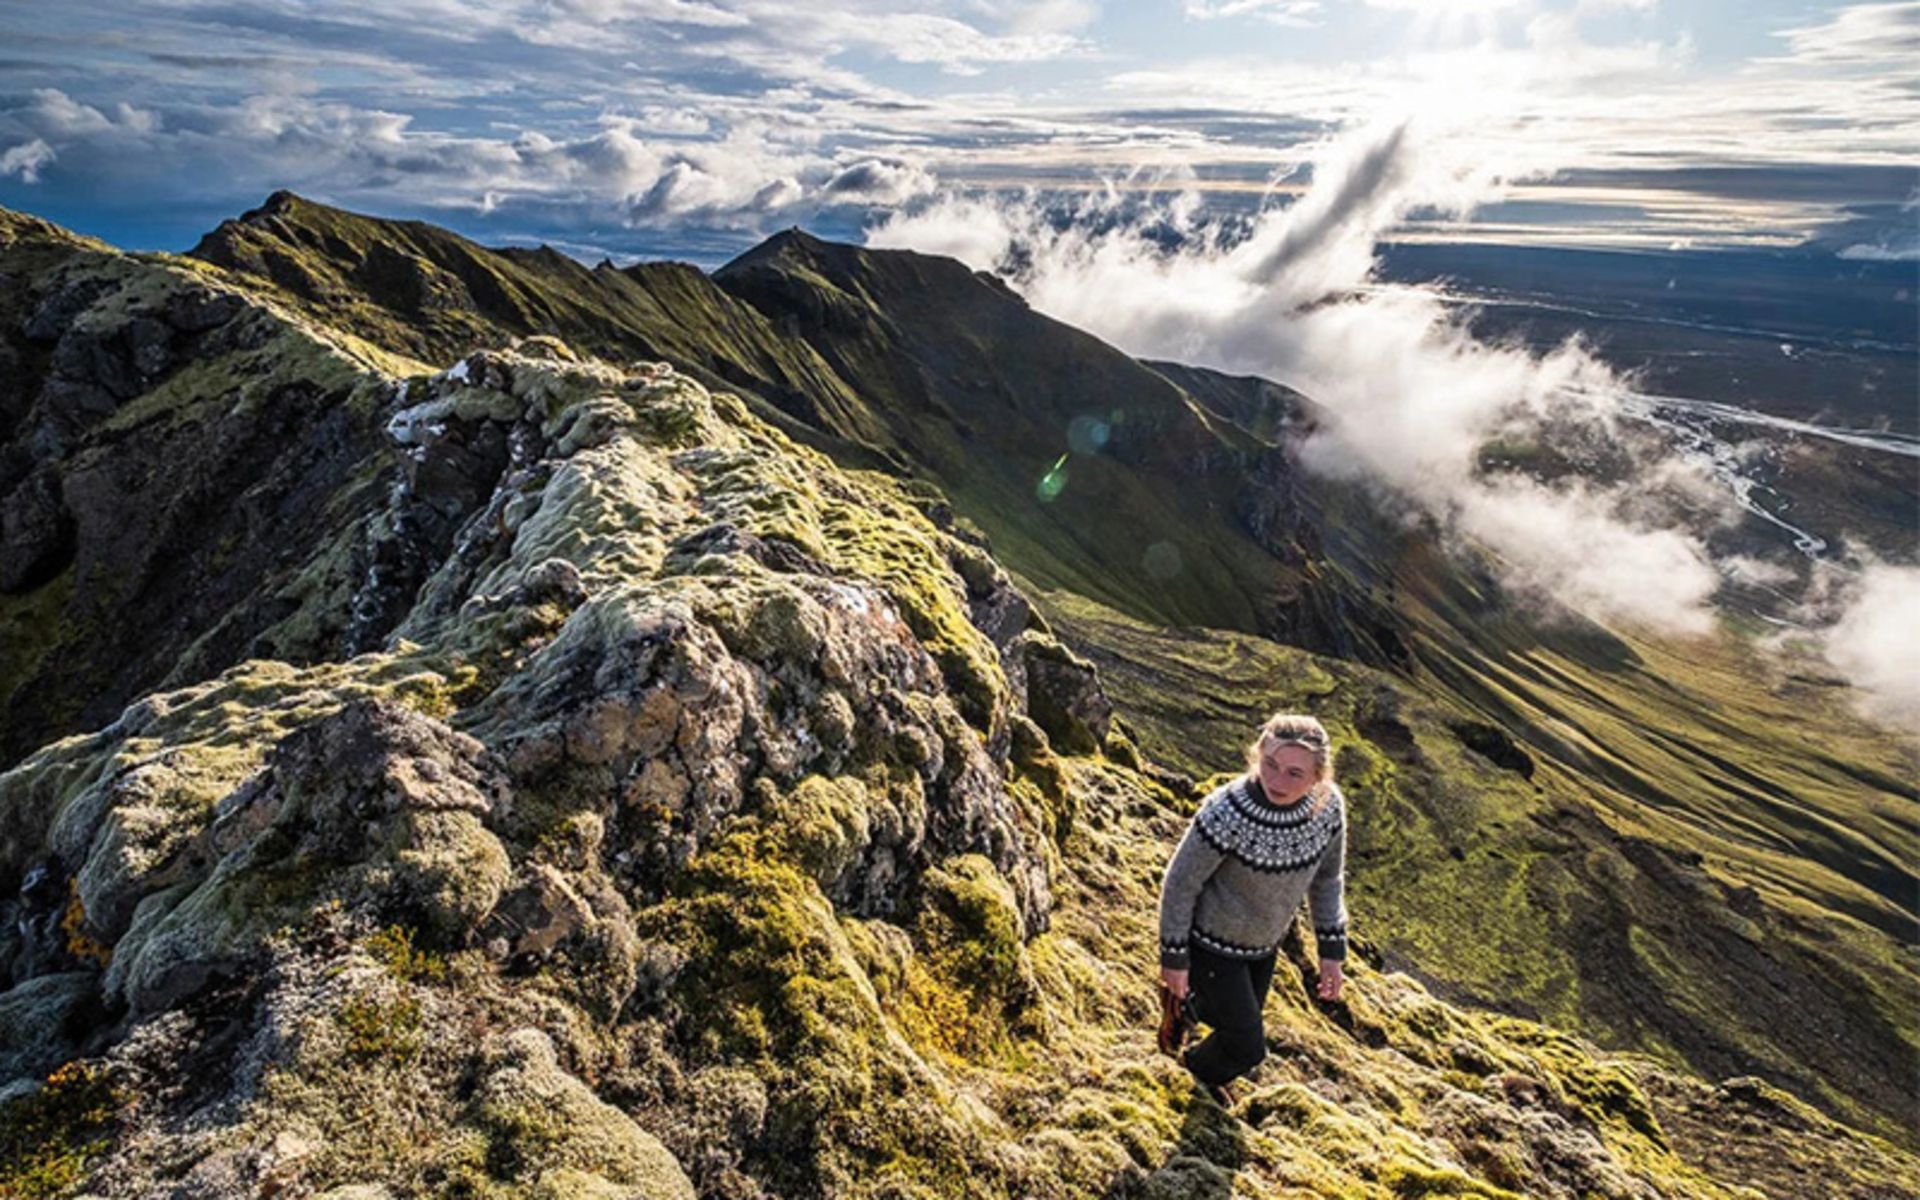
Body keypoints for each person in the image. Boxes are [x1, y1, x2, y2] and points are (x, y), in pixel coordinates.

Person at [1156, 713, 1349, 1105]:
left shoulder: (1329, 811)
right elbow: (1180, 883)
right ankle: (1187, 1075)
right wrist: (1174, 958)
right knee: (1247, 1047)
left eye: (1295, 774)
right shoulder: (1225, 811)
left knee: (1224, 1020)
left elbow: (1327, 881)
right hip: (1209, 942)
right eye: (1271, 765)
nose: (1277, 782)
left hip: (1263, 947)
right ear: (1257, 755)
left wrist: (1331, 954)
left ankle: (1183, 1010)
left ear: (1319, 776)